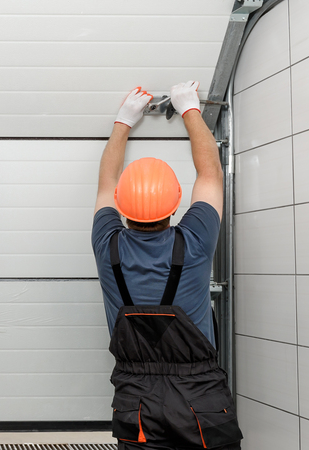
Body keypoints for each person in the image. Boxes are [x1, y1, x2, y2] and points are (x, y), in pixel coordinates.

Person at [91, 82, 243, 450]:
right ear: (175, 206)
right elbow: (210, 175)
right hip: (200, 397)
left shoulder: (106, 244)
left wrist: (123, 121)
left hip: (136, 399)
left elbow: (105, 183)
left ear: (120, 207)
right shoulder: (193, 242)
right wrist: (189, 108)